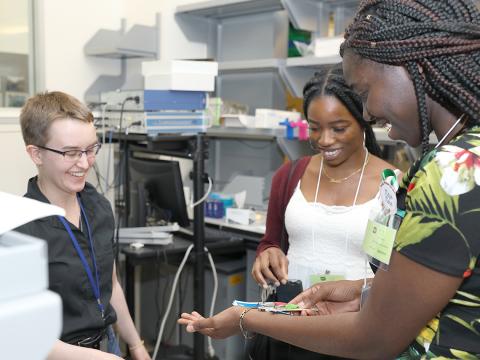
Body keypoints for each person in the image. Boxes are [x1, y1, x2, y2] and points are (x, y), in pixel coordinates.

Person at [179, 1, 480, 358]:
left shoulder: (451, 175)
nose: (367, 112)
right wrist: (361, 290)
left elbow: (373, 338)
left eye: (366, 93)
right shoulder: (464, 158)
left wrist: (248, 317)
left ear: (410, 65)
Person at [15, 91, 151, 360]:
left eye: (91, 149)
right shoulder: (21, 229)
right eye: (71, 152)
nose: (85, 162)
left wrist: (135, 344)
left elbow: (110, 284)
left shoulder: (98, 206)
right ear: (36, 154)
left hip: (106, 345)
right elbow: (23, 334)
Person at [253, 63, 393, 291]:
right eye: (315, 128)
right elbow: (270, 243)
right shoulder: (289, 176)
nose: (324, 140)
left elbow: (401, 276)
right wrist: (267, 254)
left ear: (363, 121)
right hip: (291, 319)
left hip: (356, 321)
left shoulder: (392, 186)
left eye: (338, 128)